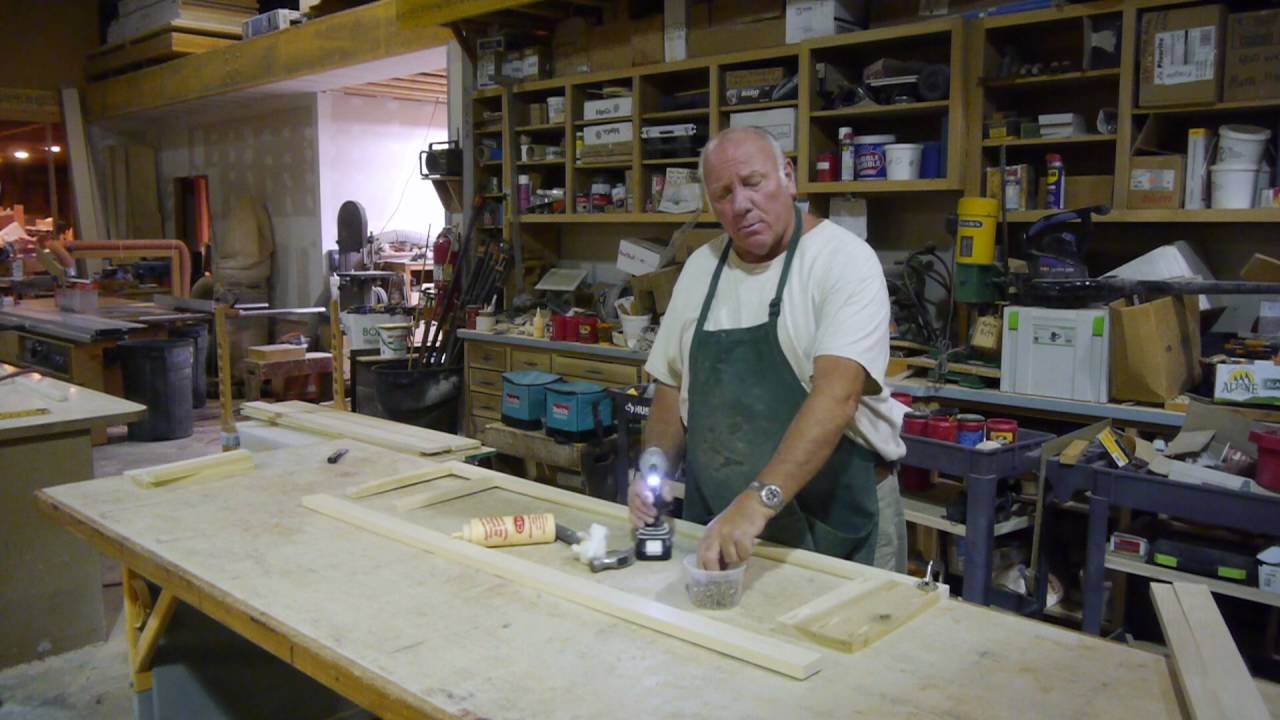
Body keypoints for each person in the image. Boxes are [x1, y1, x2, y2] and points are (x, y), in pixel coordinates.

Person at [628, 126, 908, 572]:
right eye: (722, 193)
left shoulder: (843, 261)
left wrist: (760, 500)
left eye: (752, 183)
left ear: (788, 177)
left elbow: (837, 397)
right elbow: (671, 384)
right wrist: (655, 467)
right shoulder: (702, 268)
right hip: (726, 527)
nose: (740, 204)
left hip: (832, 522)